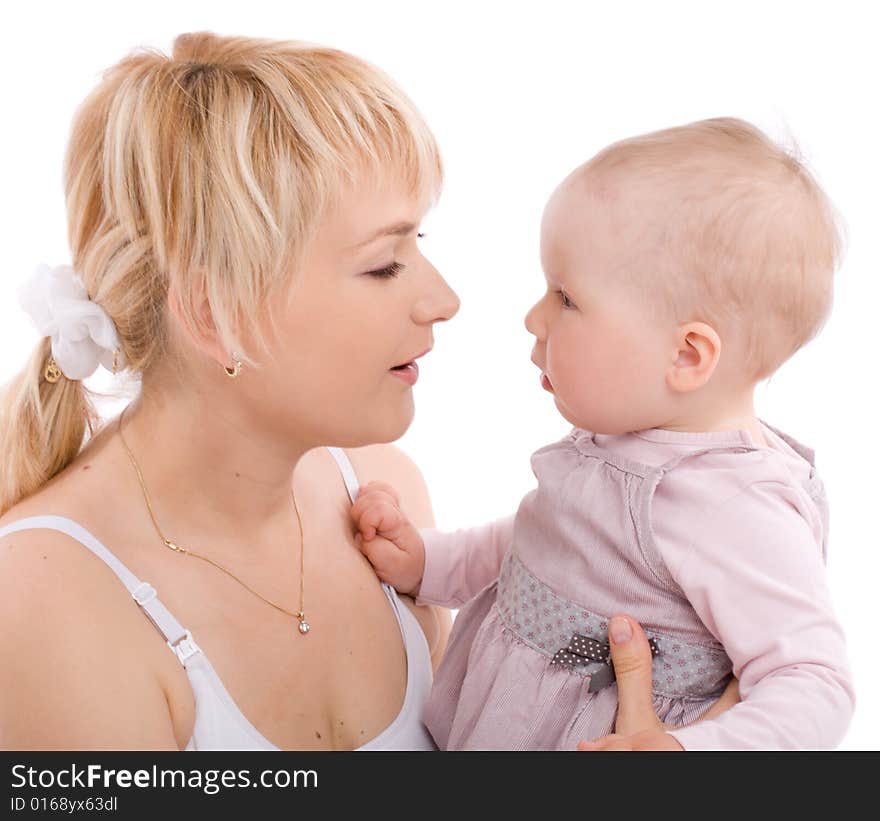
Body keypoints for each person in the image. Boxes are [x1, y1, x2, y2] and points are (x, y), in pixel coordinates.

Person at [0, 31, 682, 751]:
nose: (443, 299)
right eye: (385, 264)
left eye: (422, 242)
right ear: (214, 315)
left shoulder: (383, 505)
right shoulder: (46, 604)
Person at [351, 118, 856, 750]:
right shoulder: (628, 443)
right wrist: (432, 561)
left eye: (566, 299)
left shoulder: (734, 502)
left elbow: (813, 682)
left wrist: (688, 752)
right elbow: (547, 543)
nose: (534, 318)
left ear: (688, 356)